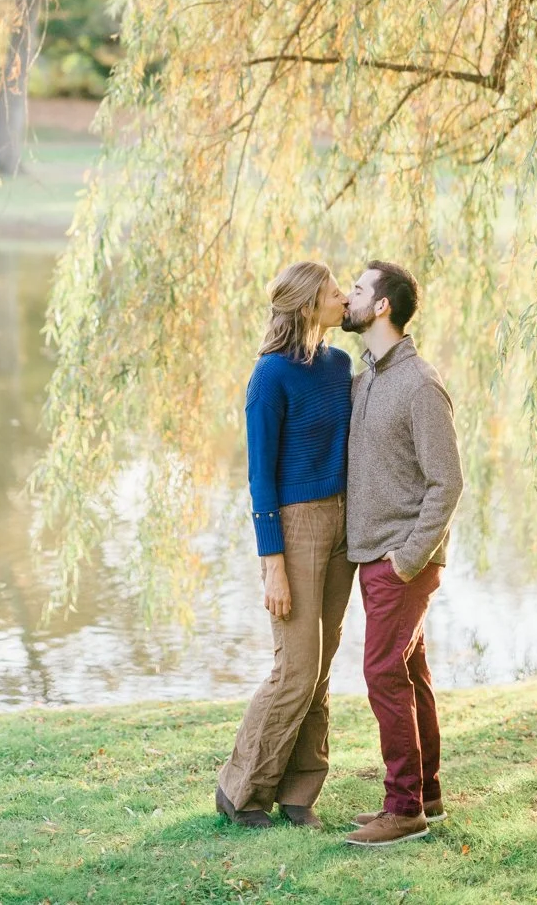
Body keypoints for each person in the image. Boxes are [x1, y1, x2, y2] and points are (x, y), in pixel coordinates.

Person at [216, 261, 356, 830]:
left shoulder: (340, 365)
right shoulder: (269, 376)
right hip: (296, 528)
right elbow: (260, 477)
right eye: (334, 292)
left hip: (343, 524)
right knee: (295, 669)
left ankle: (299, 794)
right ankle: (241, 790)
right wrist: (272, 563)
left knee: (320, 669)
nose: (344, 298)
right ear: (307, 305)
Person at [340, 260, 464, 848]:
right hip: (376, 557)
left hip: (402, 560)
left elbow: (447, 482)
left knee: (382, 673)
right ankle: (427, 795)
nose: (348, 297)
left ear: (382, 305)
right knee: (409, 673)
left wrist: (409, 558)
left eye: (357, 289)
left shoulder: (420, 385)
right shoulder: (366, 378)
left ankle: (403, 808)